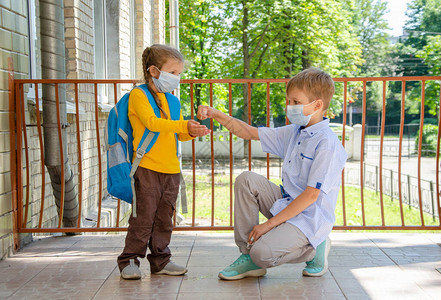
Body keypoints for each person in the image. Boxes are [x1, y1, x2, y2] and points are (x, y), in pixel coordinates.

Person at [197, 67, 347, 280]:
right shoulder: (295, 131)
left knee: (263, 253)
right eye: (288, 101)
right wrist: (215, 114)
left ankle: (315, 246)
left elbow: (311, 195)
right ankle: (248, 258)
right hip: (288, 203)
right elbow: (249, 132)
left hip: (309, 217)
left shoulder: (327, 145)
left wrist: (267, 226)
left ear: (317, 105)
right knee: (246, 180)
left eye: (296, 102)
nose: (289, 106)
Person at [117, 44, 210, 280]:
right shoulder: (138, 95)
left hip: (171, 169)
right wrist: (183, 125)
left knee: (164, 219)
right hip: (147, 167)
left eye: (179, 74)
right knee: (143, 217)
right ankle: (129, 260)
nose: (176, 79)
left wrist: (192, 130)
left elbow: (178, 134)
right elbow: (152, 123)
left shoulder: (173, 101)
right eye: (173, 73)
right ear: (154, 71)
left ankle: (161, 260)